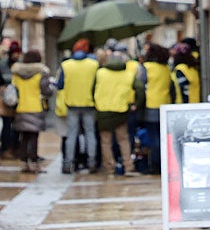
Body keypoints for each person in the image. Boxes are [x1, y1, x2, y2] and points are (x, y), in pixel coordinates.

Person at [94, 43, 145, 176]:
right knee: (123, 140)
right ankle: (128, 166)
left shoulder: (100, 73)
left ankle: (109, 167)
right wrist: (136, 104)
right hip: (121, 111)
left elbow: (92, 90)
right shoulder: (128, 74)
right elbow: (140, 89)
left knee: (105, 141)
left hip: (103, 111)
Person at [58, 39, 100, 174]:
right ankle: (92, 162)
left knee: (71, 135)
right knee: (90, 134)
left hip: (72, 104)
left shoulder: (66, 65)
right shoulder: (94, 64)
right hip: (90, 104)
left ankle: (67, 164)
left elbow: (60, 85)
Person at [12, 50, 52, 173]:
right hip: (35, 107)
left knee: (23, 137)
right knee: (34, 137)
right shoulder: (41, 73)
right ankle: (34, 163)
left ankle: (24, 163)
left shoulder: (17, 73)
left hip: (21, 107)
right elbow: (46, 91)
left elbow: (14, 89)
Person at [142, 43, 176, 175]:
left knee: (153, 138)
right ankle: (165, 163)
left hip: (151, 106)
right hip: (165, 105)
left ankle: (156, 164)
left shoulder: (146, 67)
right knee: (163, 137)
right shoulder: (166, 68)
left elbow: (141, 84)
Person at [0, 40, 22, 158]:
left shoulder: (21, 65)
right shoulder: (2, 64)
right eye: (14, 53)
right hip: (6, 100)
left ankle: (15, 147)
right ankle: (5, 149)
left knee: (17, 126)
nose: (16, 55)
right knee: (6, 125)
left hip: (19, 100)